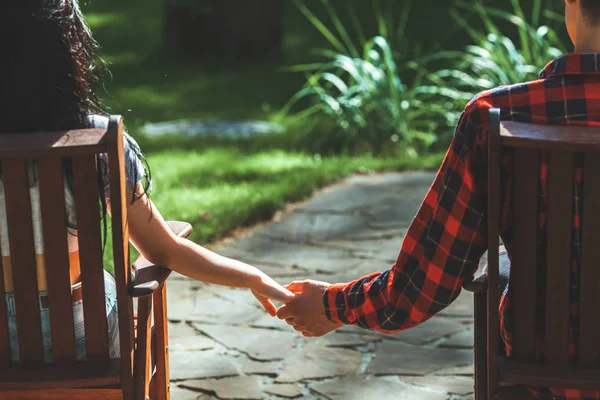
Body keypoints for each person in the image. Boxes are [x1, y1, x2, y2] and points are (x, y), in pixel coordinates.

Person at [277, 0, 600, 398]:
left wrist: (331, 305)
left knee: (499, 271)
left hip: (545, 377)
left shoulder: (496, 116)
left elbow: (419, 287)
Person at [0, 0, 294, 364]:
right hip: (77, 343)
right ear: (64, 53)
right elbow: (164, 251)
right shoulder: (95, 139)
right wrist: (251, 275)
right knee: (110, 293)